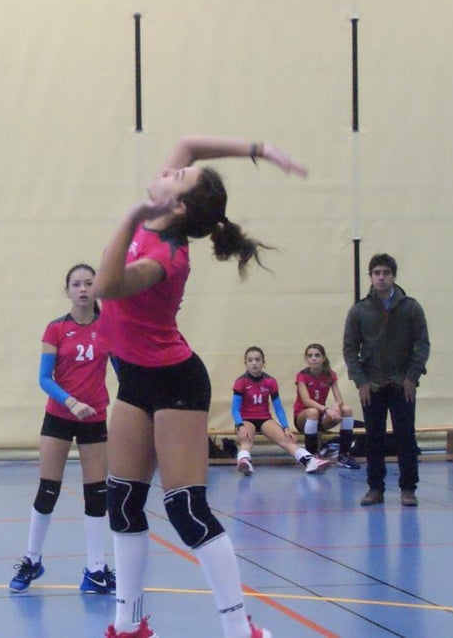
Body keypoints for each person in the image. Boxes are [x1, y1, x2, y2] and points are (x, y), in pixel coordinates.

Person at [93, 136, 306, 638]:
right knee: (121, 500)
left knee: (185, 507)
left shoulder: (167, 258)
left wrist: (128, 216)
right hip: (134, 380)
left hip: (176, 383)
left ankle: (239, 628)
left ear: (177, 205)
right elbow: (189, 143)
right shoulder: (164, 211)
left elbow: (105, 285)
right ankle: (128, 623)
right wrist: (261, 149)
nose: (168, 171)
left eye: (177, 178)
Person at [9, 264, 115, 595]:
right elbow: (44, 378)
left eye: (88, 283)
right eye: (76, 284)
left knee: (97, 493)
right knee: (48, 490)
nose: (83, 289)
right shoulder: (56, 329)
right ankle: (32, 559)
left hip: (95, 417)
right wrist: (71, 403)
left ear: (97, 289)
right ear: (67, 290)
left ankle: (95, 569)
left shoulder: (110, 328)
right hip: (59, 416)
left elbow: (125, 370)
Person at [343, 253, 430, 508]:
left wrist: (412, 376)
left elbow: (422, 345)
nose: (381, 277)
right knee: (374, 438)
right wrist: (361, 381)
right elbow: (350, 349)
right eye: (377, 273)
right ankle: (375, 488)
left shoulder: (411, 307)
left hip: (403, 384)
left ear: (394, 275)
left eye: (386, 273)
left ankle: (408, 488)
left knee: (406, 437)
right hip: (372, 385)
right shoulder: (359, 310)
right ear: (370, 276)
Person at [231, 346, 331, 475]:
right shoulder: (241, 382)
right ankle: (244, 462)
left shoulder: (270, 381)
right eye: (250, 360)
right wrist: (240, 425)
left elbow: (278, 407)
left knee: (286, 440)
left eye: (257, 359)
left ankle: (311, 462)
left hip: (265, 419)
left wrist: (286, 427)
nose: (254, 363)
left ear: (263, 362)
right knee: (246, 439)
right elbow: (235, 409)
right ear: (246, 363)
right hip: (245, 419)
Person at [293, 343, 360, 469]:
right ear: (306, 359)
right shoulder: (302, 375)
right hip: (303, 417)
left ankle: (343, 455)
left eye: (317, 355)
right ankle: (312, 456)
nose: (314, 358)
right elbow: (306, 401)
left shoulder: (330, 375)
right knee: (312, 411)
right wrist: (327, 409)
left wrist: (336, 406)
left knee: (347, 409)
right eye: (310, 356)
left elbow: (339, 399)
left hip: (320, 417)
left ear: (323, 358)